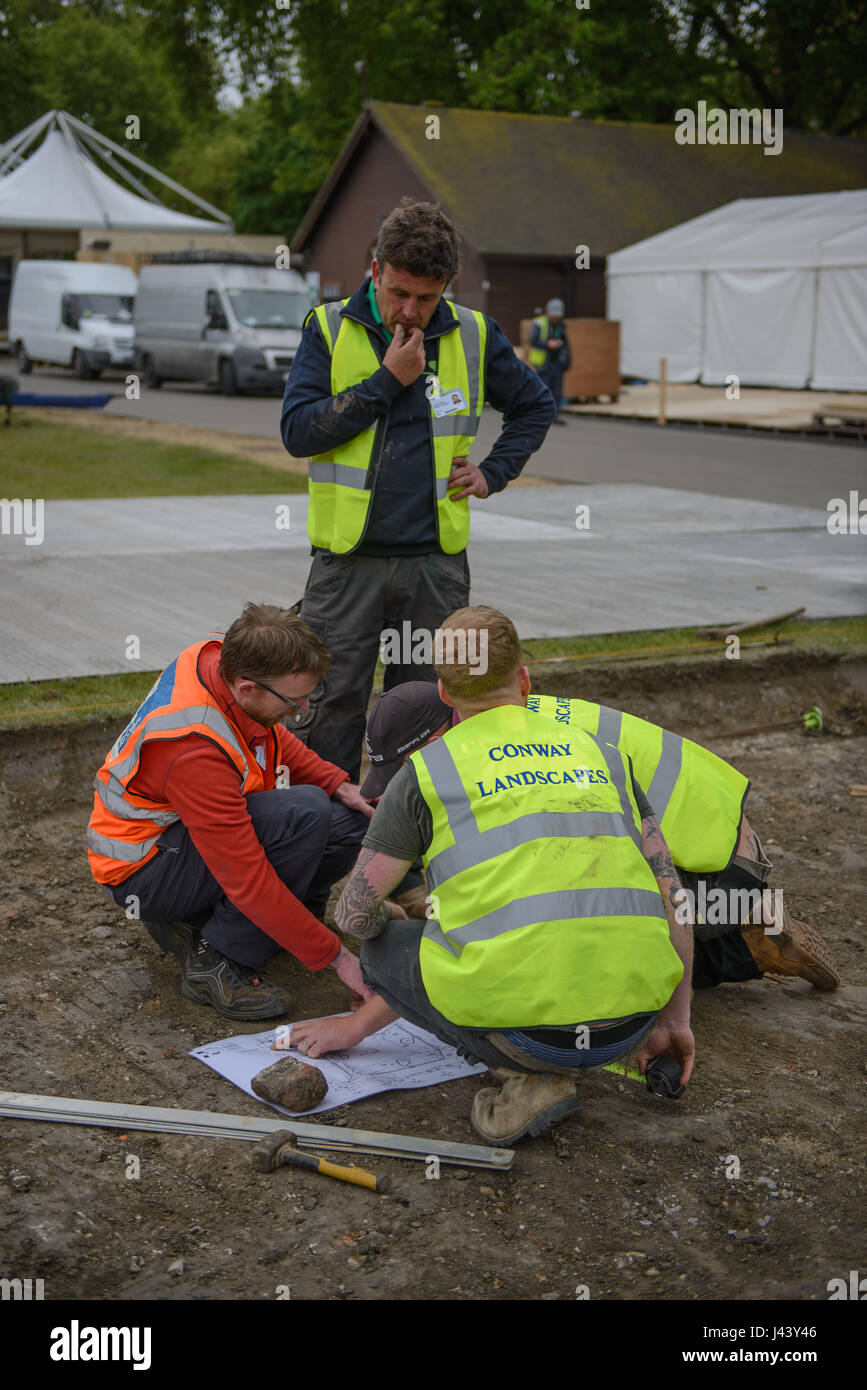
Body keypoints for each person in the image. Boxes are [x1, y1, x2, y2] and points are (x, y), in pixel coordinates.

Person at [285, 607, 695, 1146]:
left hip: (532, 1039)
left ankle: (527, 1079)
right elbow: (675, 897)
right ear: (524, 678)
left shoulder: (429, 772)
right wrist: (674, 1019)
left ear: (446, 694)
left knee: (387, 948)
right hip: (632, 1027)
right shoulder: (605, 755)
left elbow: (352, 916)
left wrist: (387, 917)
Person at [281, 197, 556, 784]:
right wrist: (387, 381)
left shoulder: (475, 335)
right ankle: (330, 845)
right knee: (327, 707)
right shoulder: (329, 328)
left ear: (447, 288)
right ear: (374, 269)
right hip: (346, 567)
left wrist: (494, 471)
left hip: (433, 566)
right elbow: (299, 432)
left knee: (428, 712)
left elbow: (536, 404)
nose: (411, 311)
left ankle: (408, 850)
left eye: (427, 299)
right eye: (399, 292)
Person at [355, 676, 841, 994]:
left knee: (580, 943)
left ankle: (745, 925)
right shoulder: (514, 714)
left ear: (438, 737)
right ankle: (746, 936)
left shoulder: (515, 754)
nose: (406, 781)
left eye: (404, 769)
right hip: (724, 845)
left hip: (714, 874)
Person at [86, 604, 376, 1021]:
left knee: (346, 820)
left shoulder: (224, 659)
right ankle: (218, 960)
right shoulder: (192, 750)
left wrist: (337, 782)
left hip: (177, 841)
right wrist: (338, 959)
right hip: (143, 869)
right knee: (304, 814)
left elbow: (268, 732)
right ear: (246, 689)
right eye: (294, 702)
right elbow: (247, 879)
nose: (303, 709)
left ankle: (269, 924)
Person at [528, 298, 571, 423]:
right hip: (543, 363)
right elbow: (533, 341)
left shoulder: (561, 325)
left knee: (557, 390)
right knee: (542, 390)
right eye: (554, 315)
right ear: (548, 312)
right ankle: (540, 415)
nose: (556, 318)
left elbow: (566, 344)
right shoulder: (539, 323)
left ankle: (554, 415)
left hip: (557, 363)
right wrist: (548, 344)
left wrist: (567, 361)